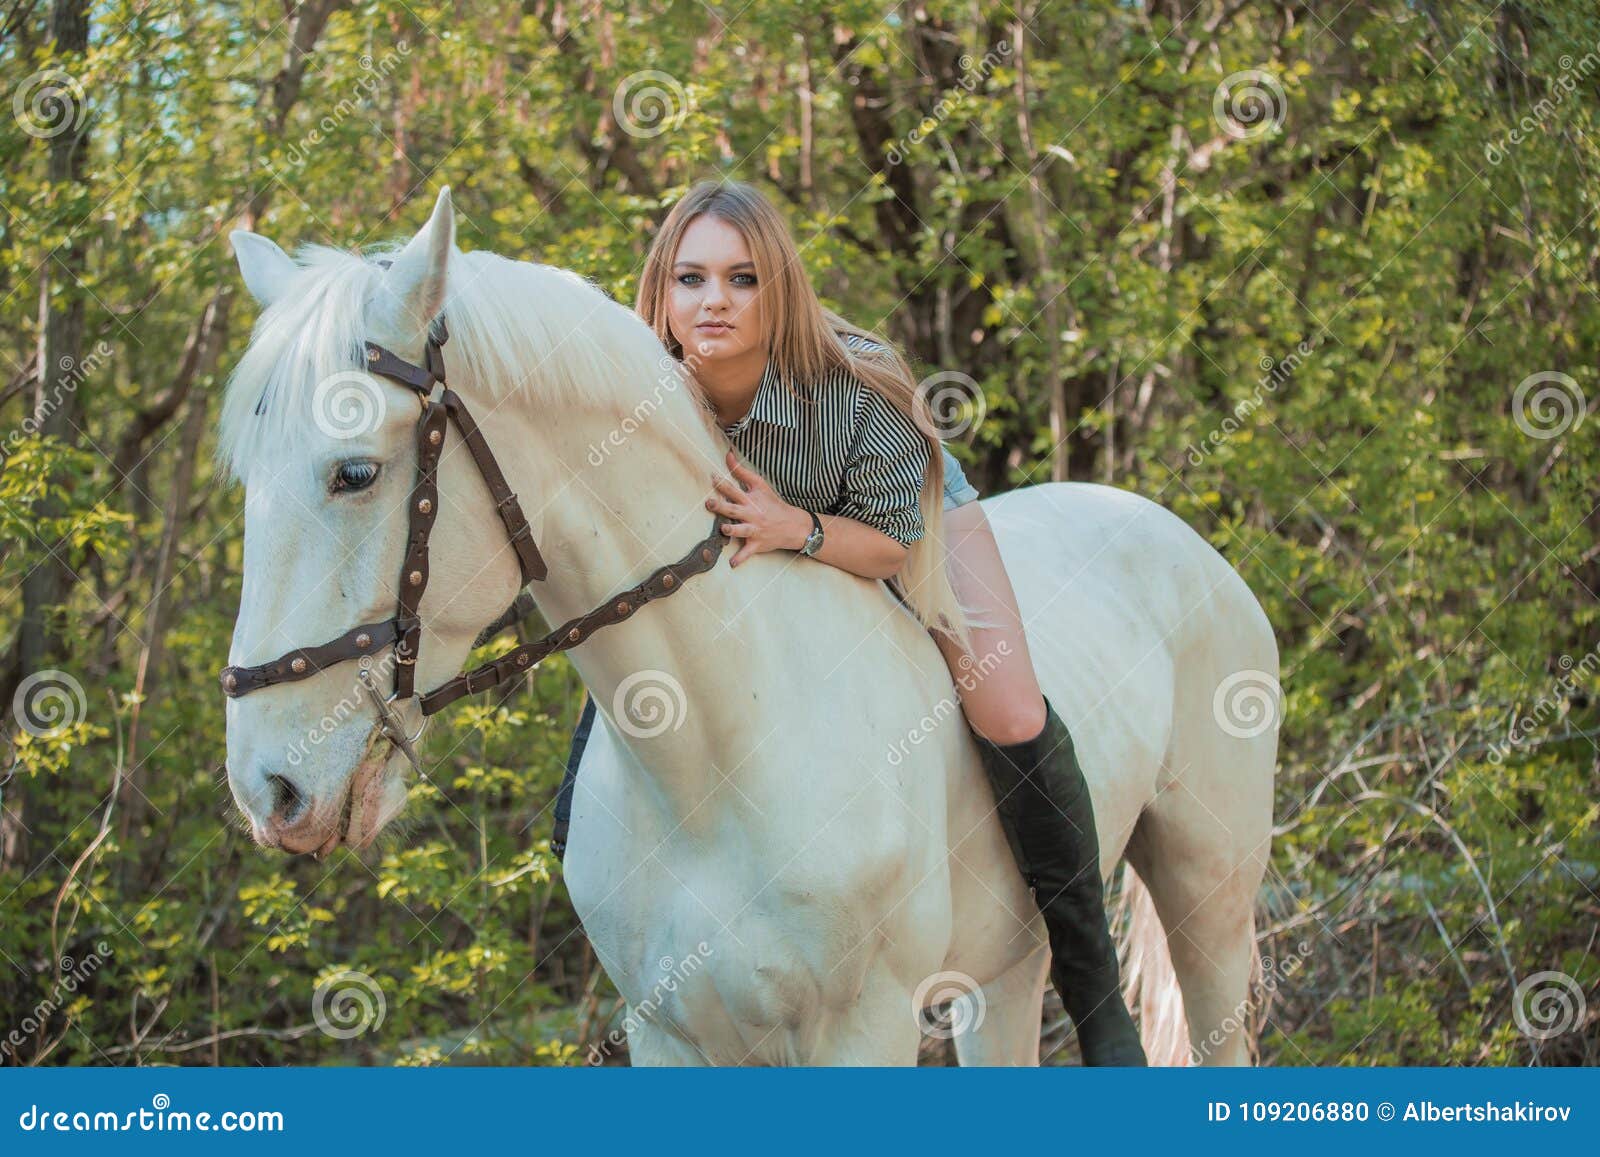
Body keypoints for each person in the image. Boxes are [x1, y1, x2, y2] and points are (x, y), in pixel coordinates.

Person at [550, 179, 1145, 1065]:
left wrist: (801, 528)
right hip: (746, 571)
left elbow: (892, 544)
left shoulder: (851, 383)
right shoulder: (642, 394)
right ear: (662, 292)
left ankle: (1094, 990)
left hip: (900, 522)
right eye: (692, 278)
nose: (714, 301)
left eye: (743, 279)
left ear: (778, 287)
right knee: (595, 772)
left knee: (1008, 707)